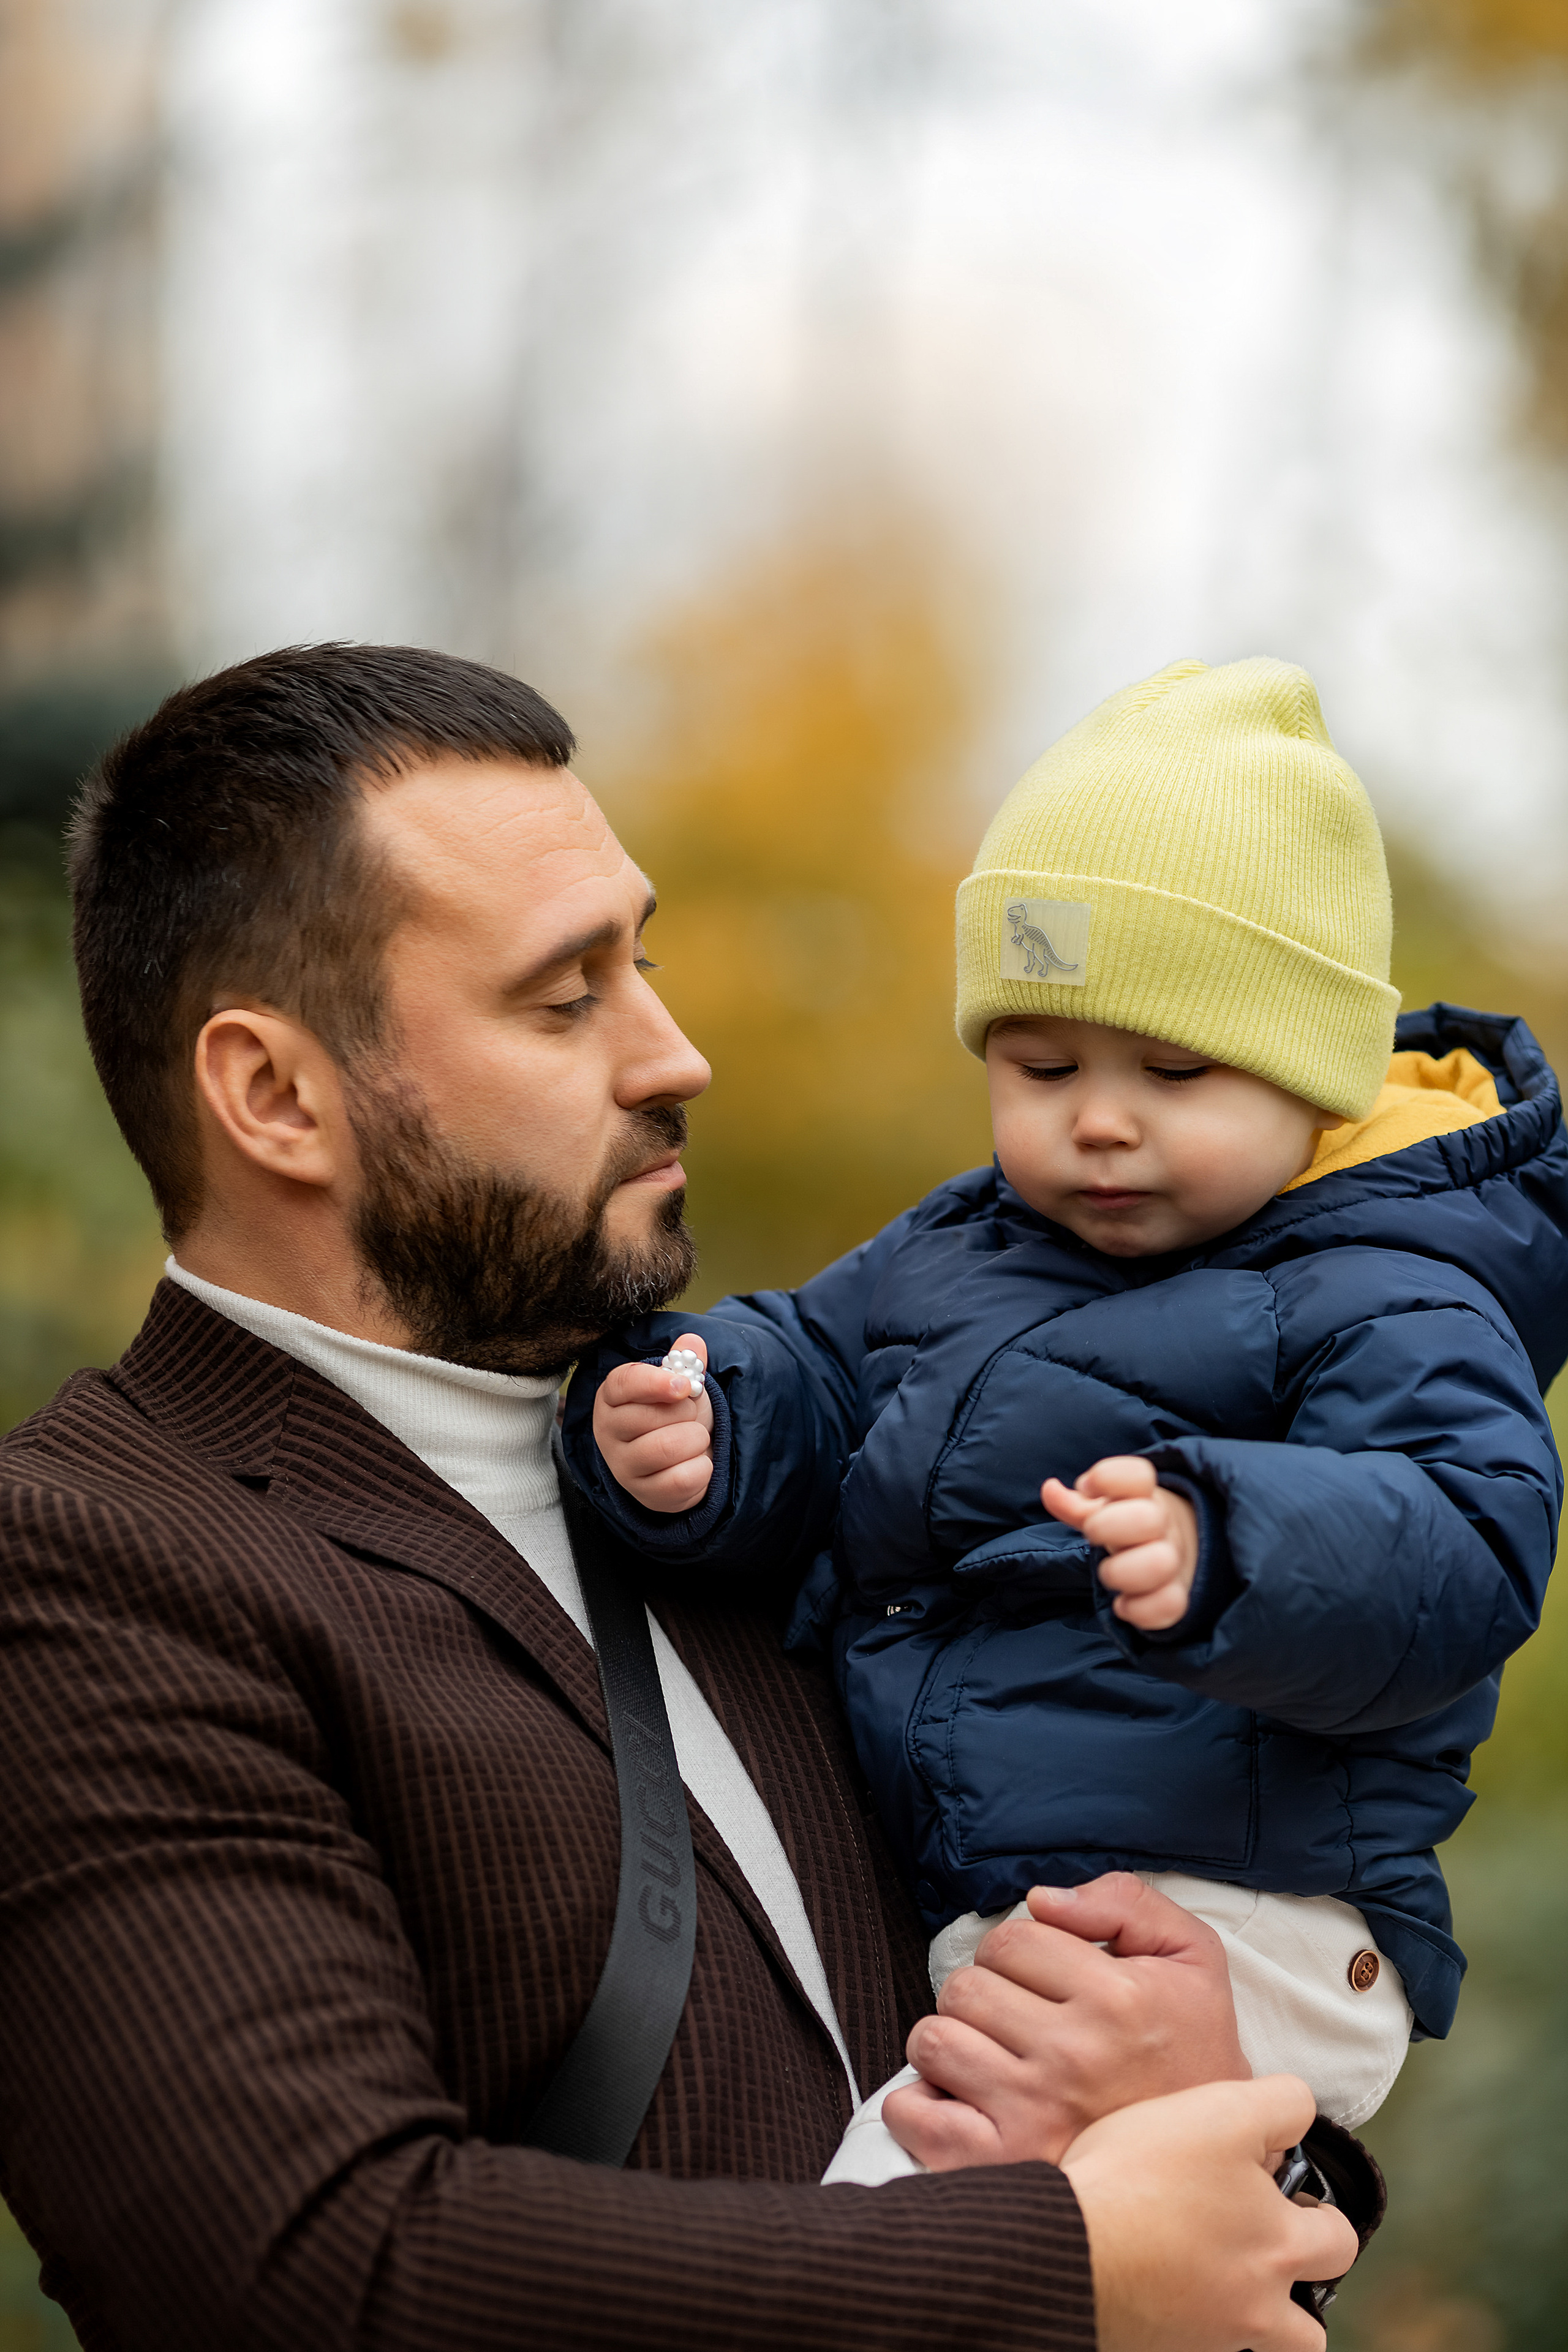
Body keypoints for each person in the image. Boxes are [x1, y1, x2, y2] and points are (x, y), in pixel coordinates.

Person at [0, 643, 1363, 2352]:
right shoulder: (86, 1564)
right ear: (276, 1096)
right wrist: (1060, 2269)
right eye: (567, 999)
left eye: (643, 965)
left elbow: (1237, 2217)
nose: (676, 1054)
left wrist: (1236, 2119)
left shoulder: (747, 1461)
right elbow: (305, 2272)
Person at [578, 655, 1568, 2178]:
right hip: (999, 1889)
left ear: (1308, 1071)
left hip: (1232, 1908)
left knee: (904, 2223)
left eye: (1170, 1069)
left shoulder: (1391, 1286)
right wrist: (701, 1425)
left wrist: (1228, 1538)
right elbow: (814, 1363)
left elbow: (1460, 1539)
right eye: (1041, 1067)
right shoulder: (962, 1242)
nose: (1096, 1121)